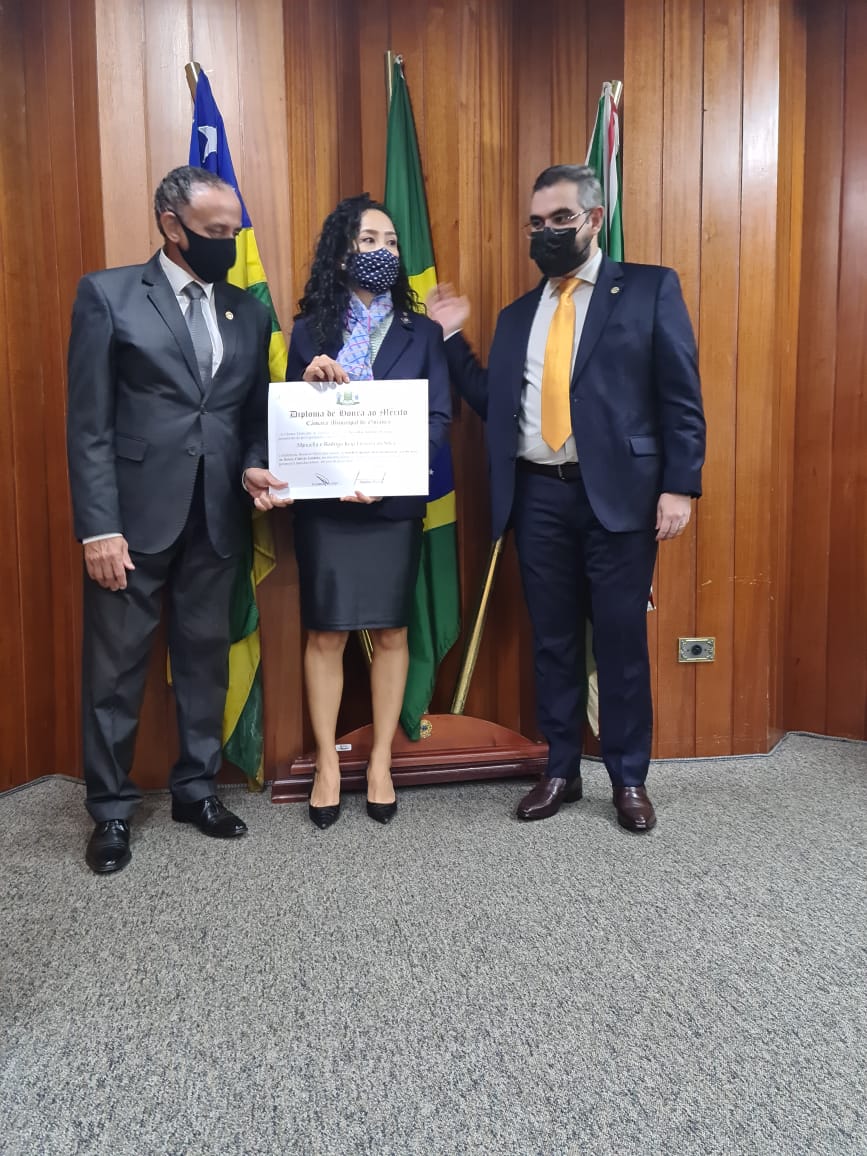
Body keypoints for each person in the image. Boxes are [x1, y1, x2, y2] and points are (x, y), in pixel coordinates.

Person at [427, 164, 705, 830]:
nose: (546, 232)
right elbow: (495, 401)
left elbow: (680, 395)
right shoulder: (517, 315)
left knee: (619, 641)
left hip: (621, 499)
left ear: (594, 219)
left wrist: (679, 485)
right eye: (536, 223)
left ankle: (628, 778)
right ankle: (559, 770)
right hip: (537, 498)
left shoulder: (649, 288)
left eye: (560, 219)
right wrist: (451, 338)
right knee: (551, 640)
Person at [67, 165, 288, 875]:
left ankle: (197, 790)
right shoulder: (108, 295)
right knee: (115, 670)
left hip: (217, 518)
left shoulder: (248, 311)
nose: (228, 242)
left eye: (234, 231)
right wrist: (98, 528)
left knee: (203, 661)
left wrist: (253, 464)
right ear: (171, 225)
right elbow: (89, 426)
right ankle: (110, 808)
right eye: (214, 231)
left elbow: (249, 417)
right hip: (130, 523)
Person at [285, 193, 451, 830]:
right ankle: (328, 764)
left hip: (393, 503)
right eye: (369, 240)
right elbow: (290, 420)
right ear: (342, 252)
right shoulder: (308, 331)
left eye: (391, 242)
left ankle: (381, 762)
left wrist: (389, 474)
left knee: (391, 633)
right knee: (325, 633)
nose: (383, 251)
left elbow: (438, 418)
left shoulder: (423, 333)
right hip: (325, 505)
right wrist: (309, 382)